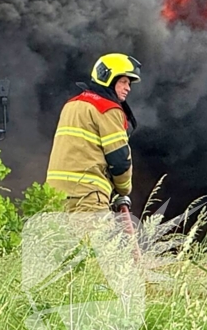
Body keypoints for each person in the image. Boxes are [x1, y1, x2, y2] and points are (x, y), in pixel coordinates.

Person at [46, 53, 140, 213]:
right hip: (88, 197)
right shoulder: (107, 109)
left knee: (59, 238)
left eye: (129, 83)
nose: (128, 88)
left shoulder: (71, 104)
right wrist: (124, 190)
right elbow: (119, 160)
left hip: (54, 196)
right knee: (94, 239)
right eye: (123, 81)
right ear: (108, 78)